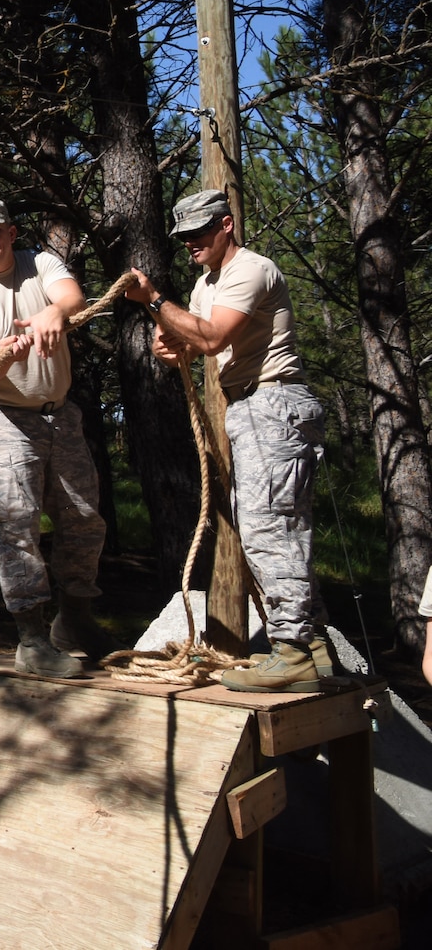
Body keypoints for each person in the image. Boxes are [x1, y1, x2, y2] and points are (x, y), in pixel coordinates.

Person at [124, 189, 331, 693]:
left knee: (269, 529)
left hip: (273, 406)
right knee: (269, 525)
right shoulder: (205, 286)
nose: (190, 243)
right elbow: (193, 342)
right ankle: (316, 648)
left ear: (226, 225)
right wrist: (169, 341)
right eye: (184, 236)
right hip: (250, 409)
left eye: (199, 232)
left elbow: (213, 338)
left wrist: (155, 301)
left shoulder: (251, 270)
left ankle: (295, 652)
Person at [0, 198, 114, 678]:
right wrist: (8, 353)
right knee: (19, 527)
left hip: (62, 416)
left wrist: (55, 312)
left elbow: (73, 298)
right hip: (4, 420)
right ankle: (32, 639)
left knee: (85, 520)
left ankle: (74, 624)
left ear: (11, 233)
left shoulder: (40, 263)